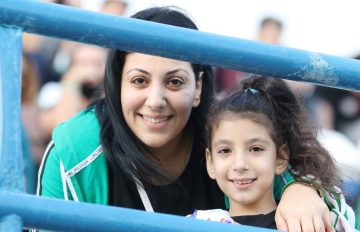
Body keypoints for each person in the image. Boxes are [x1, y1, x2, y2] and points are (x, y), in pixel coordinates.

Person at [36, 6, 352, 231]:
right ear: (116, 85)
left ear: (198, 86)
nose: (156, 101)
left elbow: (334, 205)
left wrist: (303, 191)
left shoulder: (229, 137)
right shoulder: (76, 154)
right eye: (139, 81)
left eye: (174, 82)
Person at [189, 76, 356, 231]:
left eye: (256, 149)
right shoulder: (196, 224)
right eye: (225, 150)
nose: (239, 164)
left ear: (281, 157)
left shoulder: (309, 221)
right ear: (210, 162)